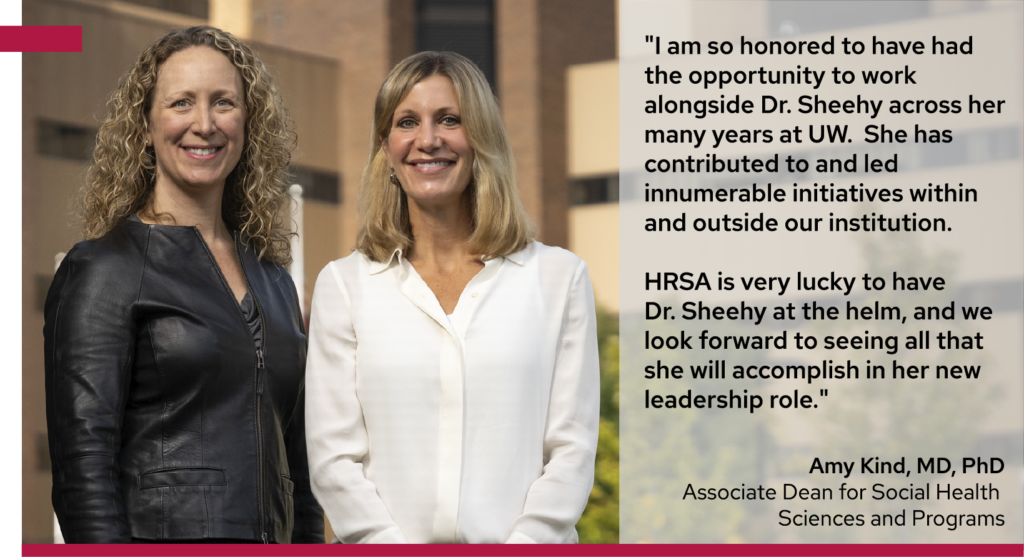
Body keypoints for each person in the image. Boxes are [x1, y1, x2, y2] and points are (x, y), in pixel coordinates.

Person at [305, 51, 600, 544]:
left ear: (481, 137)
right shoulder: (344, 286)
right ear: (386, 146)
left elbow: (571, 449)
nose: (428, 140)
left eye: (449, 120)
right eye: (407, 122)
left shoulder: (559, 278)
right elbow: (334, 459)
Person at [44, 26, 323, 543]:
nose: (204, 124)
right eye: (181, 103)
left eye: (223, 103)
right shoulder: (104, 268)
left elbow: (299, 473)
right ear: (145, 127)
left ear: (248, 123)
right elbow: (84, 470)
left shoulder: (275, 280)